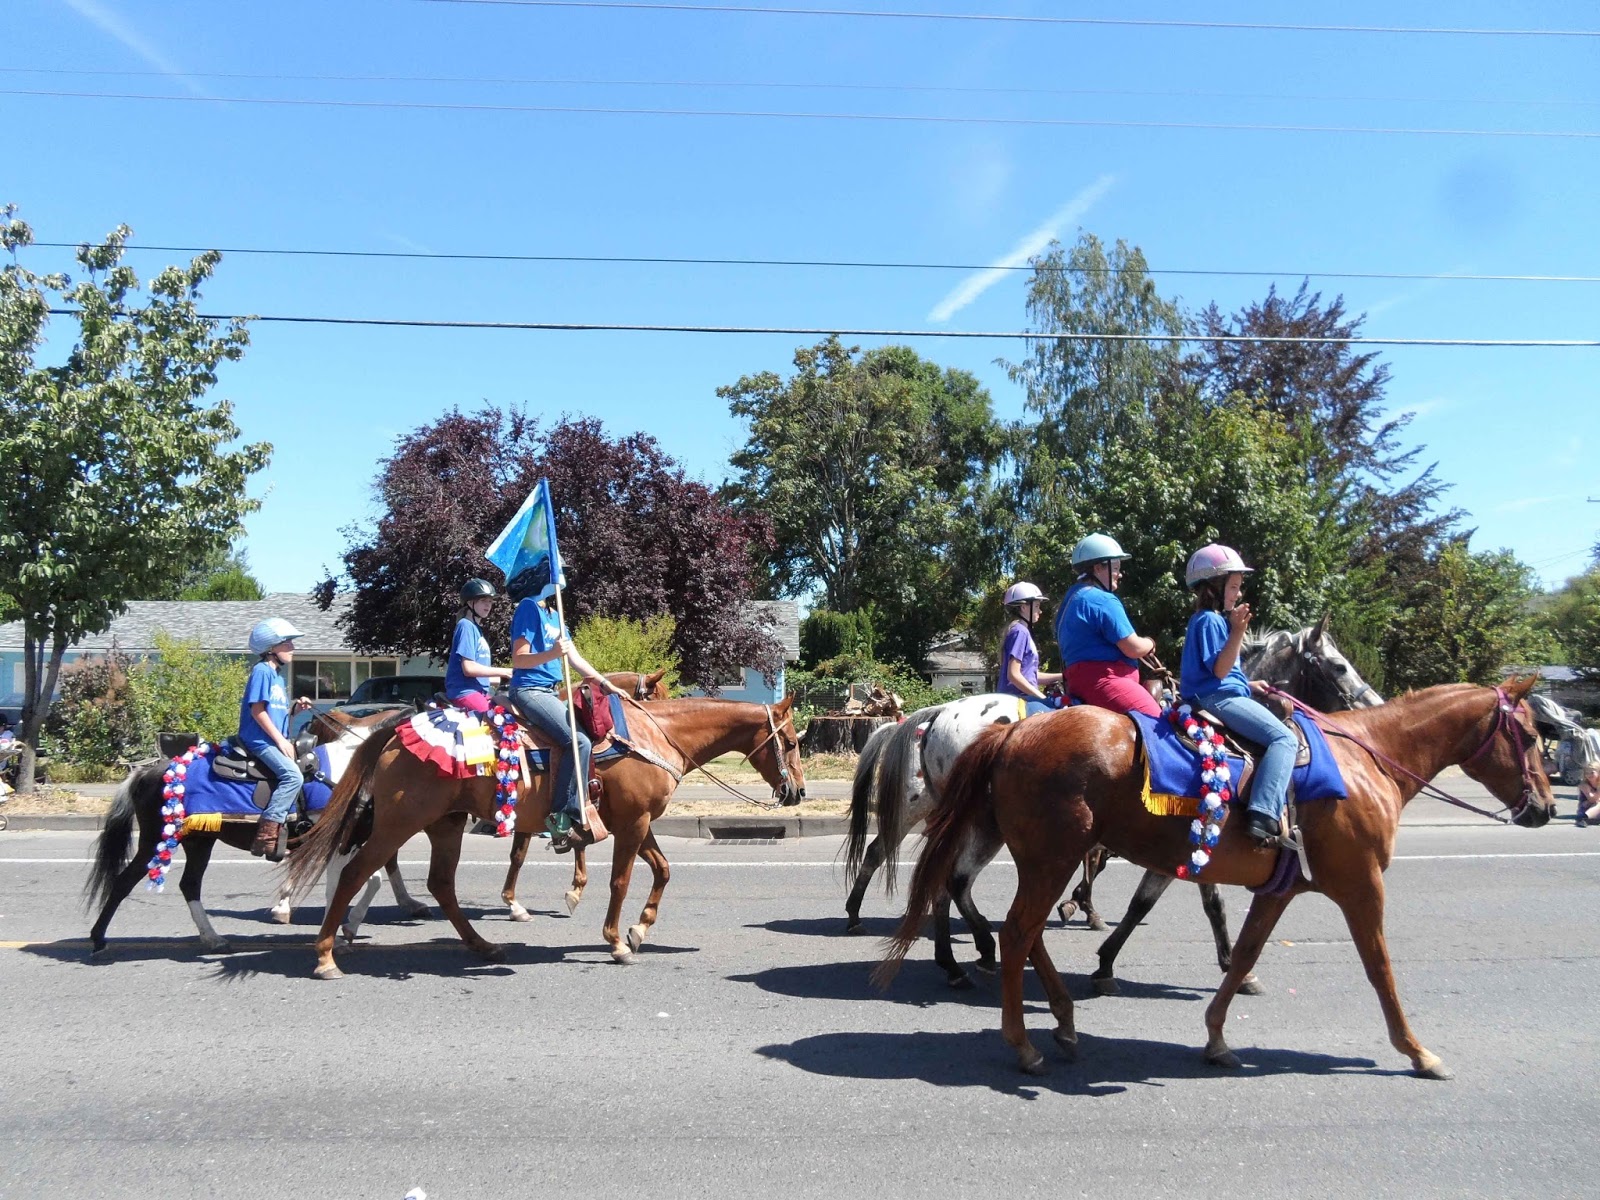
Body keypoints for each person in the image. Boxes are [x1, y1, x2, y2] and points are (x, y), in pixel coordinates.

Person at [1178, 543, 1296, 846]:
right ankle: (1264, 814)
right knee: (1285, 739)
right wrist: (1238, 632)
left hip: (1223, 693)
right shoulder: (1210, 620)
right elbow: (1218, 671)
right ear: (1214, 587)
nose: (1238, 593)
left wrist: (1248, 684)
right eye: (1233, 586)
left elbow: (1227, 671)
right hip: (1216, 699)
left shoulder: (1211, 620)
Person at [507, 576, 614, 853]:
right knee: (578, 742)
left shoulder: (556, 615)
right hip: (529, 690)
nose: (563, 579)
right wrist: (553, 652)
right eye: (559, 572)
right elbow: (519, 659)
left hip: (551, 691)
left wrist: (605, 683)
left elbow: (575, 659)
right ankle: (561, 818)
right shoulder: (528, 608)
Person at [1055, 533, 1162, 718]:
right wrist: (1150, 643)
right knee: (1160, 726)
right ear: (1098, 568)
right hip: (1107, 682)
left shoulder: (1069, 602)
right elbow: (1133, 648)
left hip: (1075, 685)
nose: (1119, 575)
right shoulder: (1102, 600)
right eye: (1116, 568)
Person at [238, 617, 313, 861]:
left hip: (273, 738)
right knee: (293, 776)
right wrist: (281, 741)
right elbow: (257, 711)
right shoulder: (261, 671)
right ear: (271, 648)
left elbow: (275, 713)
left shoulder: (278, 677)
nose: (292, 646)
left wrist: (294, 710)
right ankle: (266, 837)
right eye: (287, 642)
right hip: (259, 741)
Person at [445, 578, 513, 714]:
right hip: (465, 692)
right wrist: (505, 671)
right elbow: (469, 669)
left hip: (480, 692)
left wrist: (514, 677)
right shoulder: (465, 626)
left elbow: (482, 677)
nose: (488, 605)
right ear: (470, 603)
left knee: (508, 712)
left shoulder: (476, 629)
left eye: (490, 601)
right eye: (483, 601)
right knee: (497, 720)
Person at [995, 582, 1062, 716]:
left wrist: (1063, 676)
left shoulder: (1019, 630)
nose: (1040, 611)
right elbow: (1013, 675)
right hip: (1019, 700)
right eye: (1037, 606)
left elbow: (1030, 675)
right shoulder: (1020, 632)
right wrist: (1041, 698)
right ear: (1024, 607)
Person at [1577, 764, 1600, 829]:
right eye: (1587, 773)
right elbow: (1592, 799)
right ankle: (1584, 818)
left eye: (1592, 772)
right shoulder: (1584, 785)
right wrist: (1598, 790)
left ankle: (1593, 820)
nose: (1589, 775)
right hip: (1586, 808)